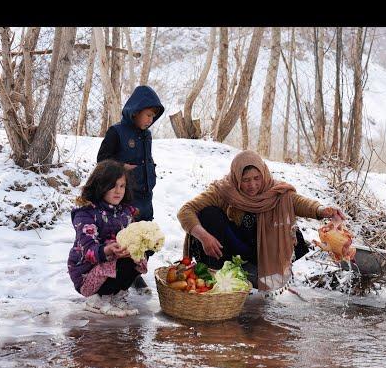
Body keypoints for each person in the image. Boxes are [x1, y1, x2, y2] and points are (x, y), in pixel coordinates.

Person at [177, 150, 345, 291]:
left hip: (260, 253)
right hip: (229, 249)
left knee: (292, 231)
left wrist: (323, 211)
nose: (253, 185)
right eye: (246, 180)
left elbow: (299, 202)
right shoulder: (224, 191)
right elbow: (185, 211)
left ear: (263, 174)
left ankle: (255, 273)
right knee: (208, 214)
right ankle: (216, 271)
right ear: (236, 178)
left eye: (257, 178)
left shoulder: (275, 191)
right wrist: (204, 237)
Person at [97, 85, 165, 292]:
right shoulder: (117, 132)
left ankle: (137, 273)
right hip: (125, 198)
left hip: (145, 196)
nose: (150, 120)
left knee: (147, 238)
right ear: (135, 111)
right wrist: (120, 169)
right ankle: (122, 278)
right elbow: (101, 161)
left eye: (153, 116)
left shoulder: (147, 135)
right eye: (147, 115)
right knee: (127, 240)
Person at [67, 160, 148, 317]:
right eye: (113, 186)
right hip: (87, 273)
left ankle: (116, 295)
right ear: (100, 186)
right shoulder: (86, 213)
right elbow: (88, 249)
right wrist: (107, 250)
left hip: (113, 265)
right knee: (120, 261)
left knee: (136, 256)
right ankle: (97, 299)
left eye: (122, 186)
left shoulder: (126, 212)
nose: (118, 191)